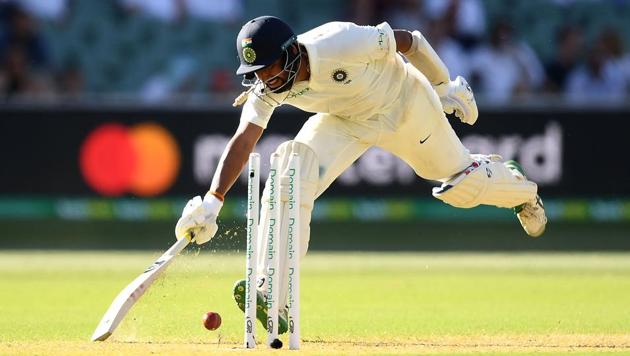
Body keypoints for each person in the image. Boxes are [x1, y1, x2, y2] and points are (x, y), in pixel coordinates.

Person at [174, 16, 547, 333]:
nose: (266, 80)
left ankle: (520, 190)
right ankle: (272, 294)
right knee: (289, 176)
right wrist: (213, 199)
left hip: (404, 104)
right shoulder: (268, 87)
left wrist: (442, 86)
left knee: (462, 184)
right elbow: (244, 138)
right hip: (345, 121)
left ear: (290, 52)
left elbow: (410, 41)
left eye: (270, 68)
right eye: (257, 73)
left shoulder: (339, 41)